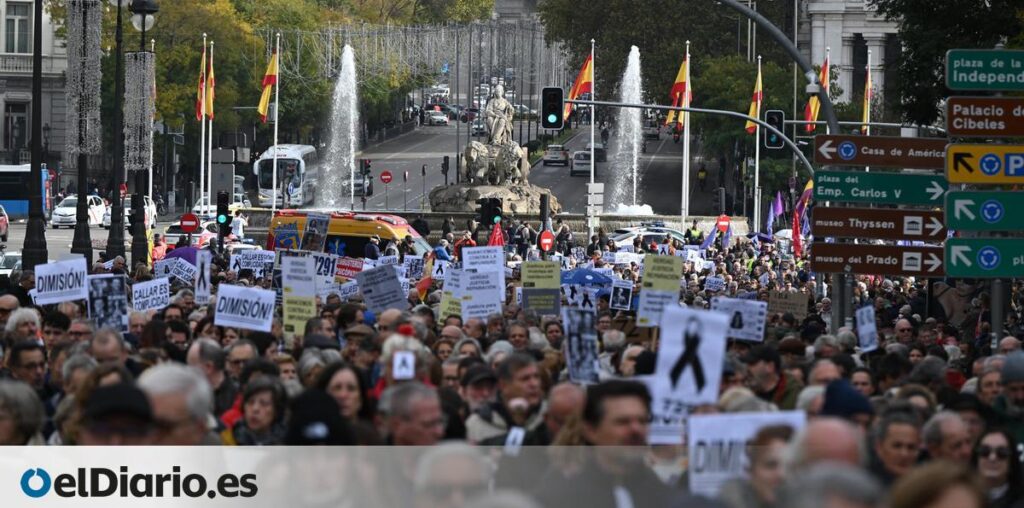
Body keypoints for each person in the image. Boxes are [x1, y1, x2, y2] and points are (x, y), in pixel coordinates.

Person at [719, 425, 795, 508]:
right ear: (750, 471)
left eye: (790, 467)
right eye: (770, 465)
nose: (781, 475)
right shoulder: (732, 498)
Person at [221, 377, 287, 446]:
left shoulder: (289, 442)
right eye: (250, 402)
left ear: (277, 410)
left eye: (264, 403)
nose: (255, 409)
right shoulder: (228, 440)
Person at [972, 428, 1024, 508]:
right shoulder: (959, 496)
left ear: (1012, 460)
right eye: (985, 451)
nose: (992, 458)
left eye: (1002, 452)